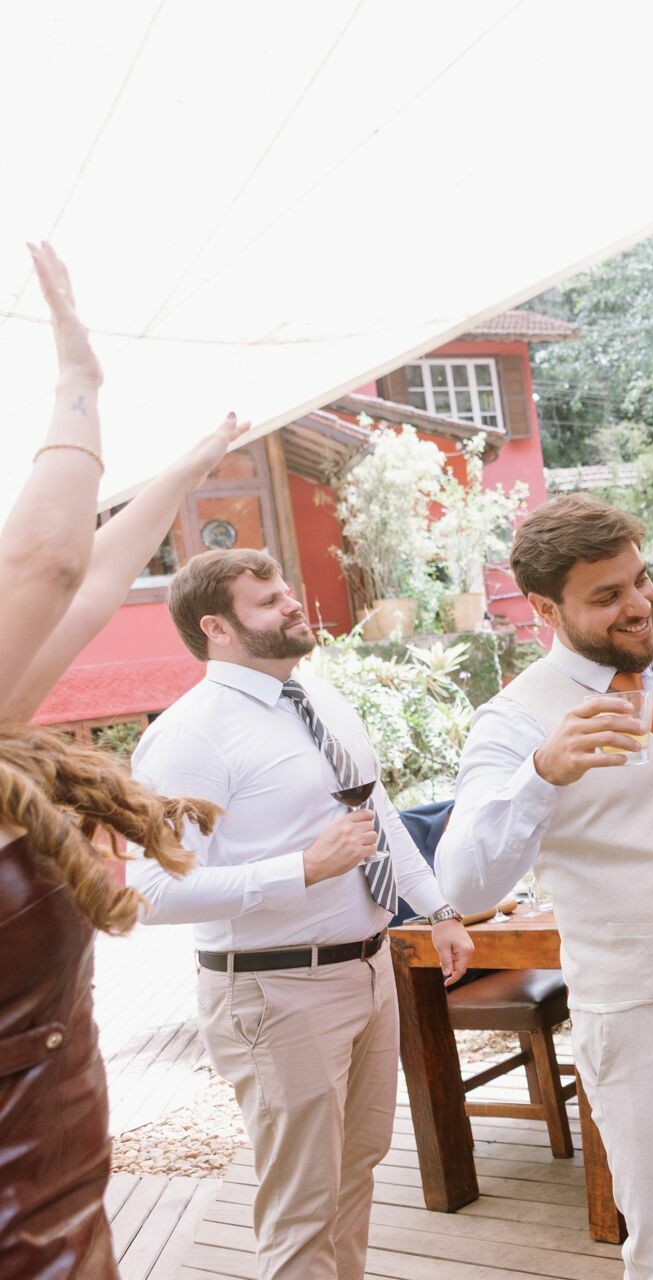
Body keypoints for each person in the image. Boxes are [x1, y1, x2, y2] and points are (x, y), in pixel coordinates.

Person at [436, 495, 653, 1280]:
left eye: (640, 581)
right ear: (543, 608)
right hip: (641, 1018)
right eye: (606, 596)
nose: (637, 606)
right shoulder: (515, 722)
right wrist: (541, 777)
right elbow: (461, 882)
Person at [129, 549, 475, 1280]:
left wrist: (437, 907)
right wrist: (302, 870)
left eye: (287, 588)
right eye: (268, 601)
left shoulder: (318, 698)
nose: (293, 603)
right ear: (216, 628)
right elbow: (152, 892)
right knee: (301, 1207)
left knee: (356, 1178)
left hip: (369, 971)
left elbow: (374, 811)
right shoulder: (189, 735)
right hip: (275, 993)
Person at [0, 242, 239, 1280]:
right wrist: (77, 385)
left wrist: (183, 472)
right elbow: (47, 564)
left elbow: (84, 587)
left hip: (52, 1186)